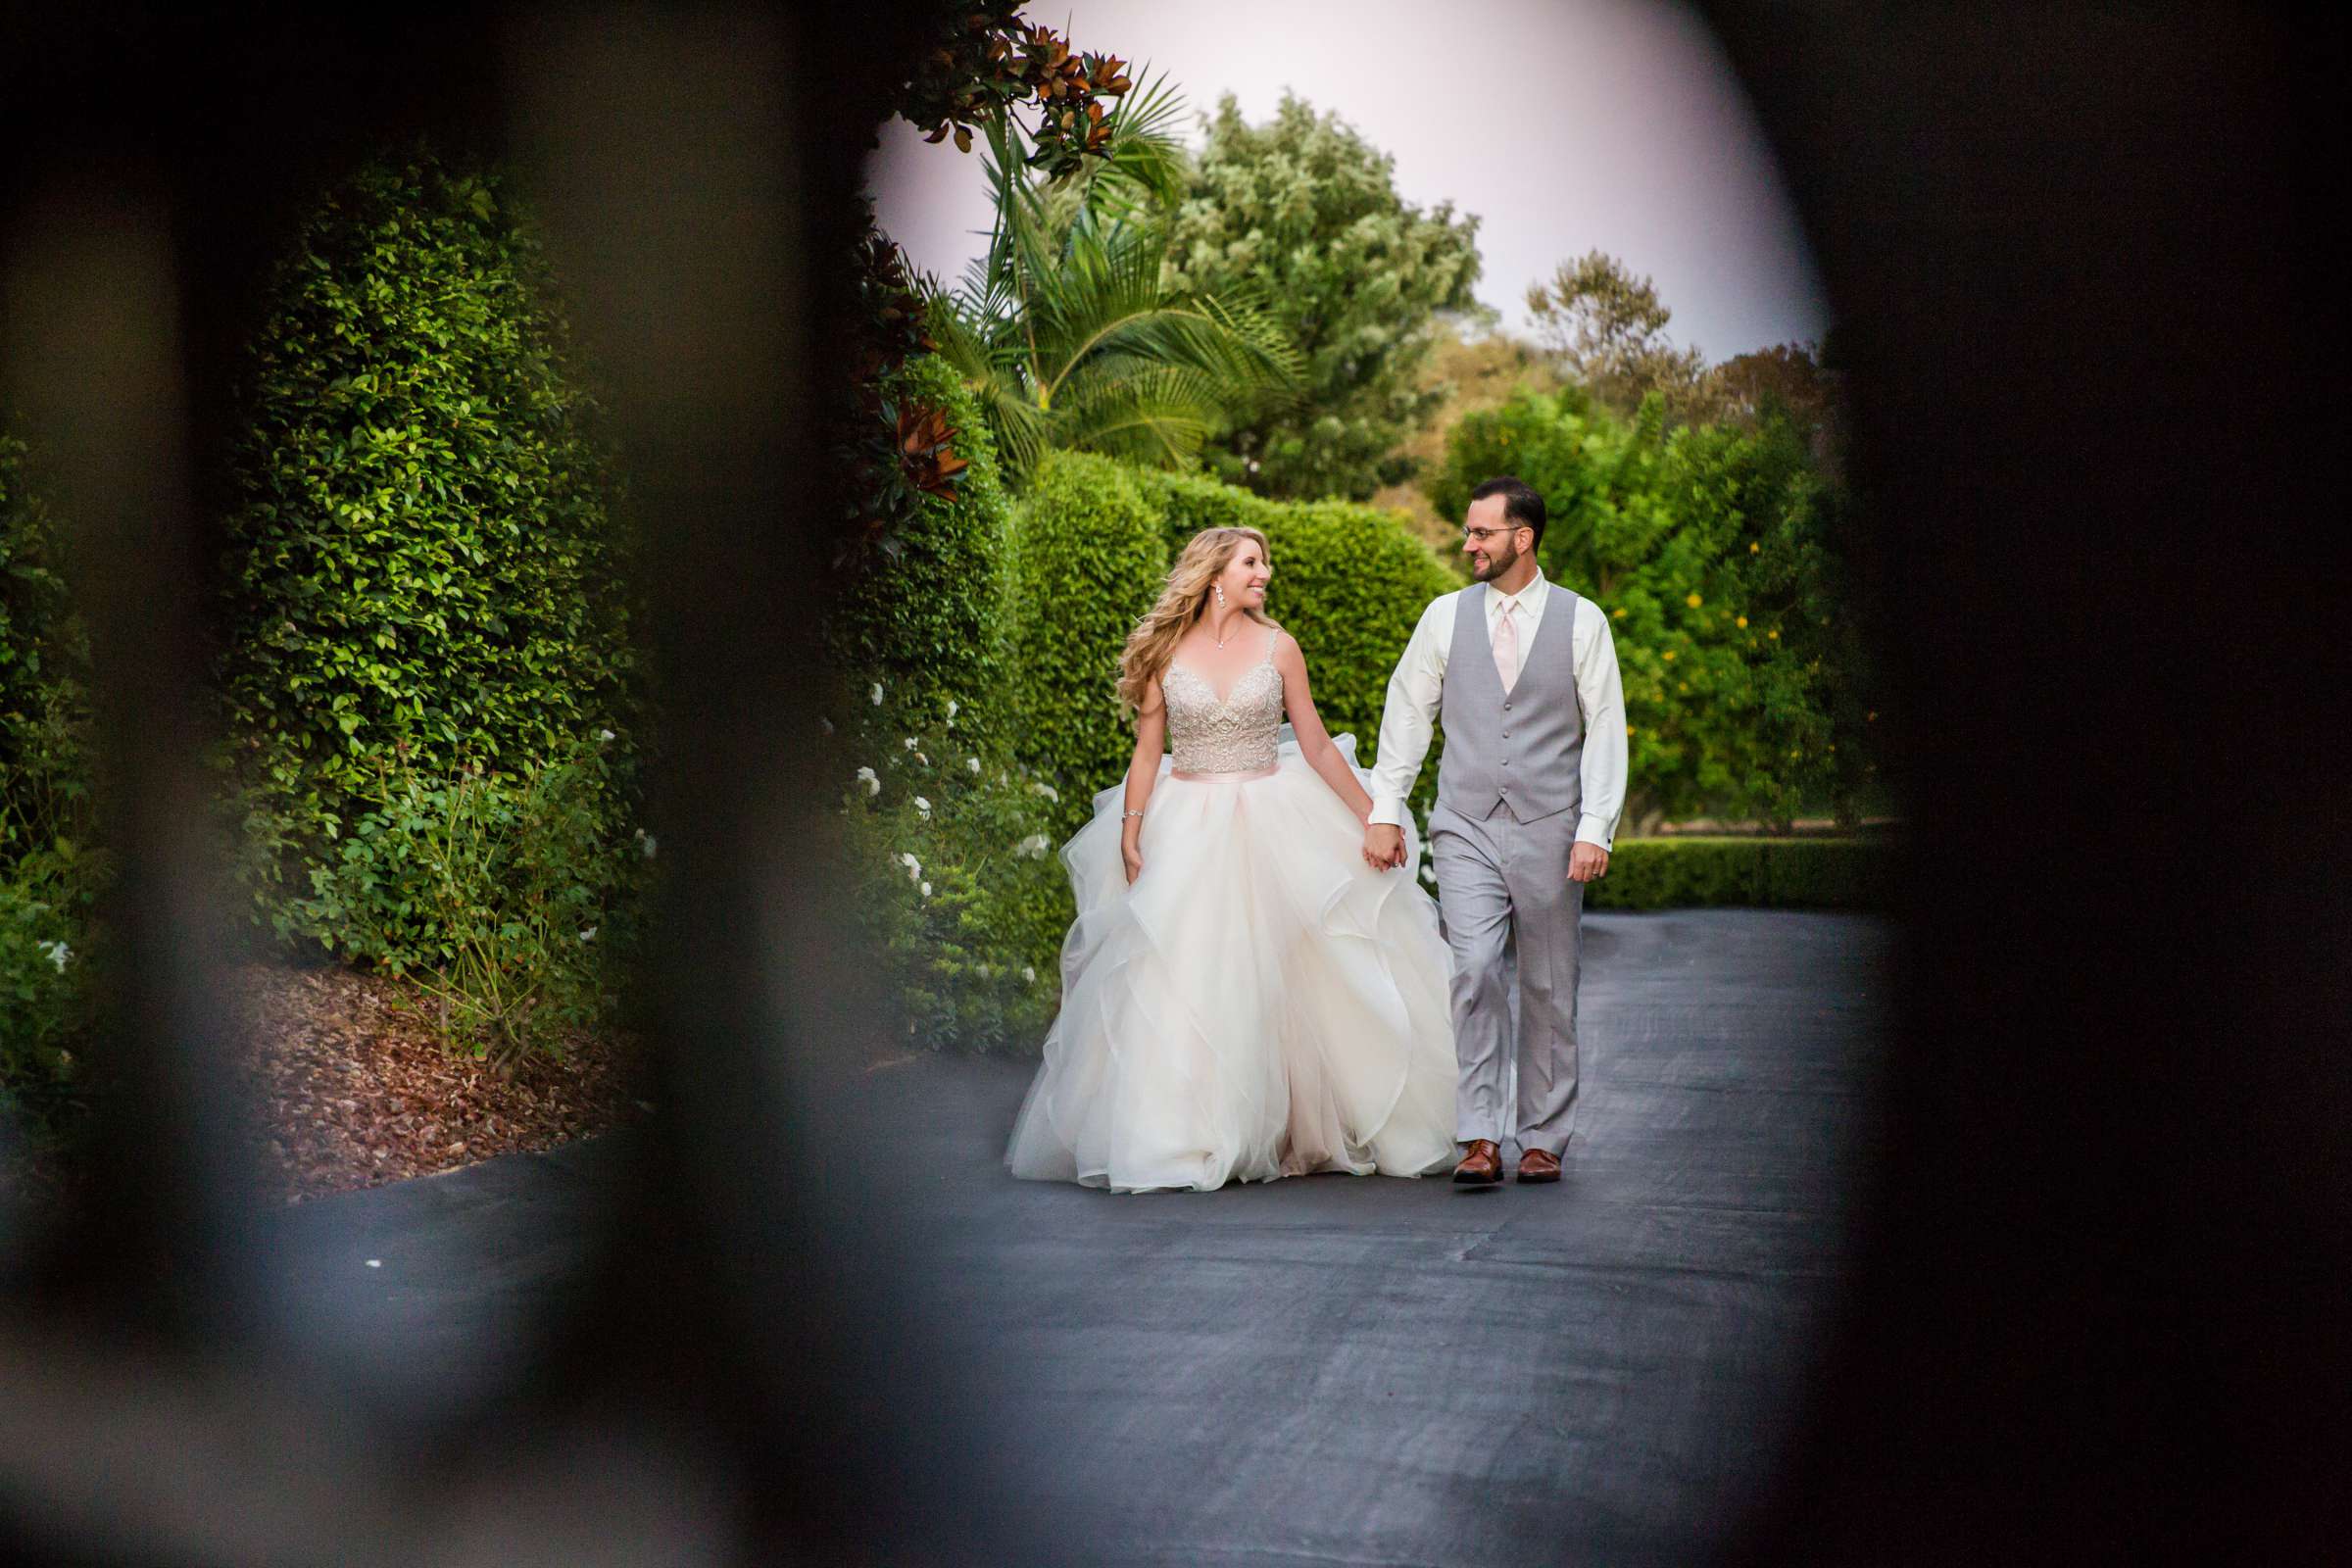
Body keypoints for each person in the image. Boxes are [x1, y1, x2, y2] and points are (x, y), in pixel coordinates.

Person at [1005, 526, 1458, 1193]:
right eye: (1253, 562)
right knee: (1190, 971)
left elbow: (1318, 746)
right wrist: (1131, 830)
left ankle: (1292, 1127)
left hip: (1274, 817)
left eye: (1265, 562)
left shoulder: (1280, 648)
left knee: (1293, 973)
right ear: (1216, 572)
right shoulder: (1165, 652)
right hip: (1187, 821)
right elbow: (1146, 752)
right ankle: (1189, 1130)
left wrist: (1375, 817)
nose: (1265, 573)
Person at [1361, 476, 1627, 1187]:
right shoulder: (1444, 617)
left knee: (1547, 982)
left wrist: (1595, 825)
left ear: (1523, 538)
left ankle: (1541, 1136)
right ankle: (1478, 1133)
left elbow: (1604, 727)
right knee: (1474, 970)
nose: (1468, 543)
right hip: (1465, 823)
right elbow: (1408, 711)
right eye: (1469, 531)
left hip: (1550, 823)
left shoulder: (1582, 621)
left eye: (1482, 532)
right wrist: (1387, 808)